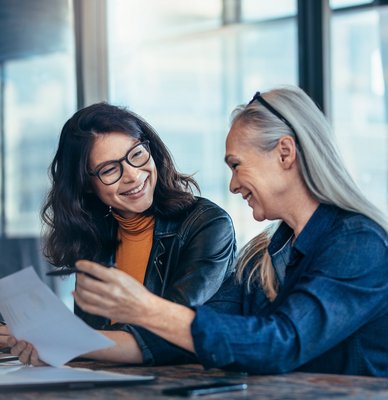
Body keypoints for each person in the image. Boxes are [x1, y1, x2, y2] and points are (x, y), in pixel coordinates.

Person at [10, 86, 388, 377]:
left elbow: (279, 343)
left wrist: (144, 307)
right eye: (110, 169)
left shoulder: (360, 243)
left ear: (285, 153)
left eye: (236, 165)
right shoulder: (262, 256)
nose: (232, 185)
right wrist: (58, 344)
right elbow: (181, 337)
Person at [3, 102, 238, 366]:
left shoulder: (207, 224)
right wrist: (45, 343)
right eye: (110, 169)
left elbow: (172, 331)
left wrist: (62, 342)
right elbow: (93, 338)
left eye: (136, 154)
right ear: (86, 185)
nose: (133, 175)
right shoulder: (93, 238)